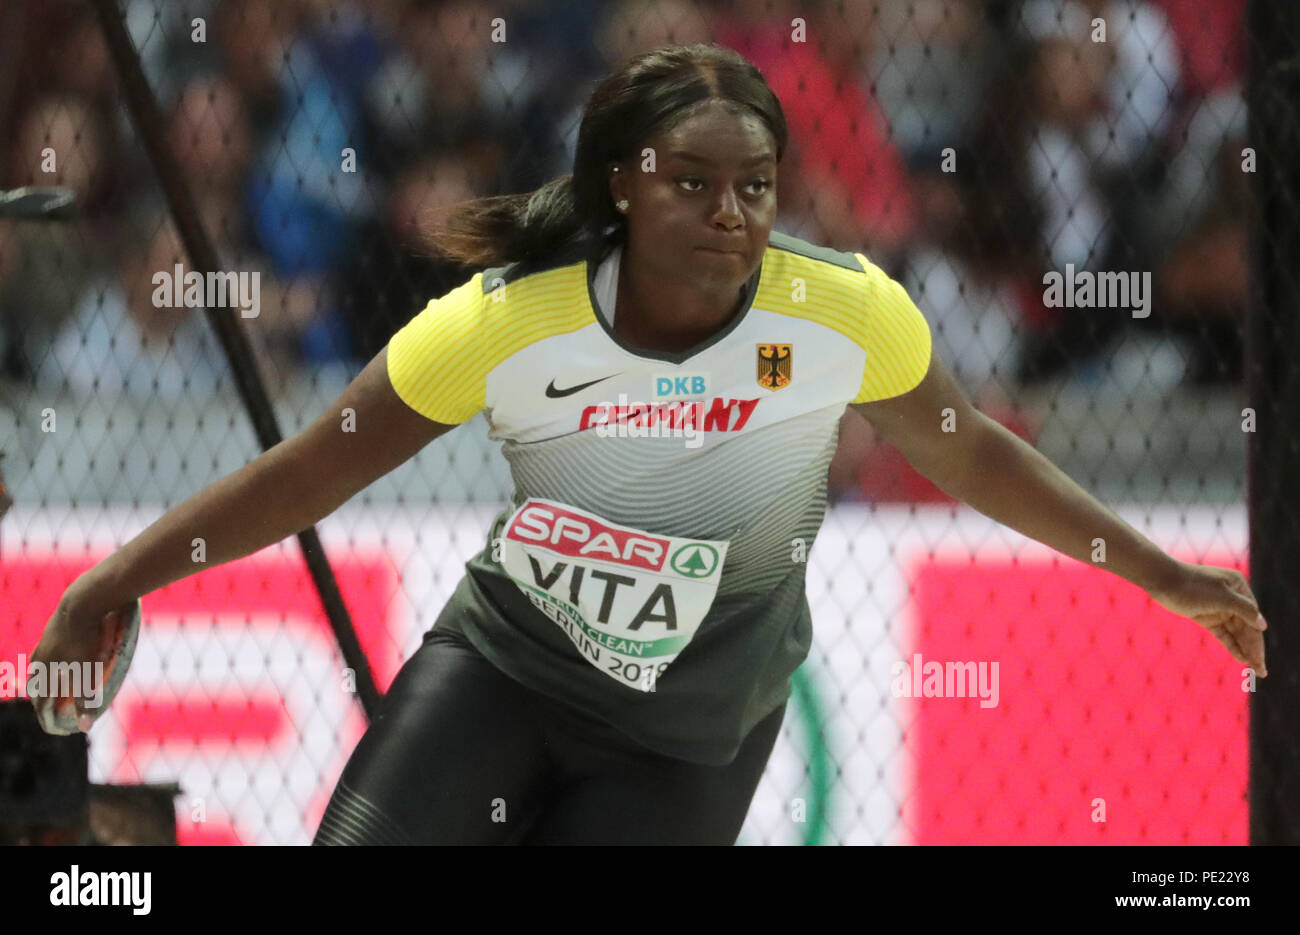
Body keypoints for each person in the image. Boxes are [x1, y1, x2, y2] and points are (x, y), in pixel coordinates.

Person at [29, 44, 1267, 846]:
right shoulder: (511, 319)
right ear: (624, 183)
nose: (731, 216)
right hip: (506, 666)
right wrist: (112, 578)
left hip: (691, 729)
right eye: (695, 184)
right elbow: (308, 472)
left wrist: (1160, 573)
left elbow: (980, 458)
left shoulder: (839, 311)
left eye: (757, 188)